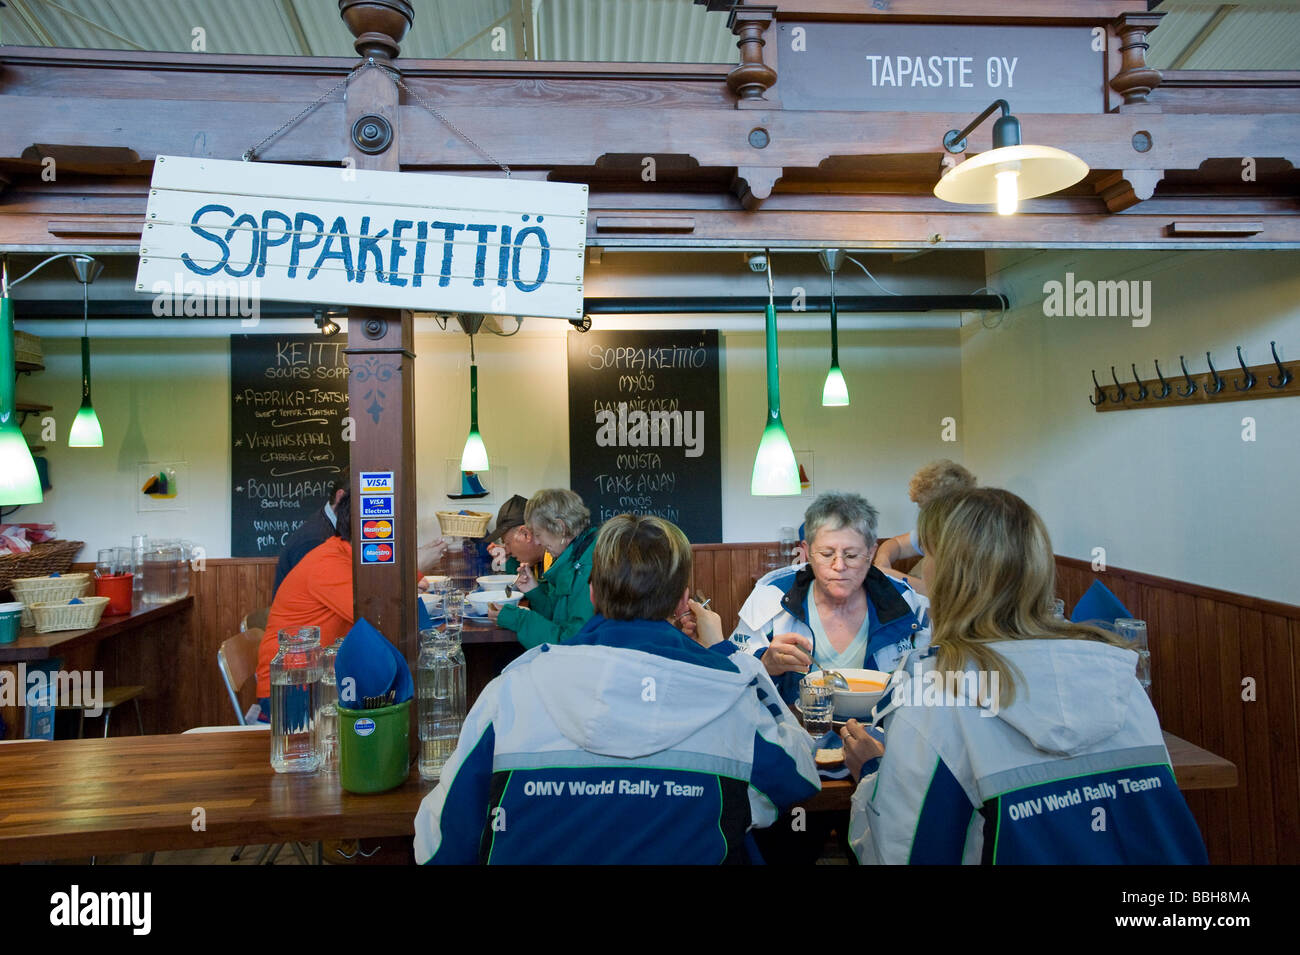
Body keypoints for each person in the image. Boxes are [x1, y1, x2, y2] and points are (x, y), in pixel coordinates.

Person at [414, 514, 820, 864]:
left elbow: (440, 845)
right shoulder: (731, 692)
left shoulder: (510, 691)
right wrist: (728, 653)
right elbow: (799, 778)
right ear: (683, 602)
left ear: (592, 594)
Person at [842, 488, 1208, 865]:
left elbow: (898, 855)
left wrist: (873, 776)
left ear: (949, 575)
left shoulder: (935, 693)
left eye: (928, 555)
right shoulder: (1119, 675)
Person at [731, 491, 931, 708]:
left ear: (870, 554)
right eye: (826, 554)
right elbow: (733, 675)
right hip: (795, 733)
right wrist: (766, 663)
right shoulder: (770, 597)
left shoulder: (907, 603)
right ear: (807, 552)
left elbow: (929, 688)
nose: (839, 566)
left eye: (852, 555)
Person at [255, 491, 448, 714]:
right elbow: (382, 617)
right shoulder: (328, 563)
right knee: (414, 691)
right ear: (365, 530)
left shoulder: (351, 558)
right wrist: (413, 566)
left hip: (327, 677)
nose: (399, 535)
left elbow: (387, 600)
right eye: (389, 526)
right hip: (294, 690)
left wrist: (409, 568)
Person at [487, 488, 597, 648]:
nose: (537, 543)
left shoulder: (588, 567)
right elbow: (557, 616)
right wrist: (534, 591)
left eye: (538, 534)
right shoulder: (572, 556)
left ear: (560, 527)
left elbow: (573, 645)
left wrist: (519, 619)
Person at [872, 459, 975, 595]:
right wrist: (883, 560)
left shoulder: (971, 540)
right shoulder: (933, 531)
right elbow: (896, 544)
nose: (924, 515)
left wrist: (889, 574)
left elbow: (942, 596)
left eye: (926, 508)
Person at [272, 475, 347, 596]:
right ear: (340, 496)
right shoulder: (315, 539)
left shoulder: (324, 524)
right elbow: (329, 596)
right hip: (300, 613)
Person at [482, 494, 550, 577]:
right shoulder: (535, 560)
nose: (507, 550)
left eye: (507, 543)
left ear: (526, 534)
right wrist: (509, 560)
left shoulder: (556, 561)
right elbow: (517, 582)